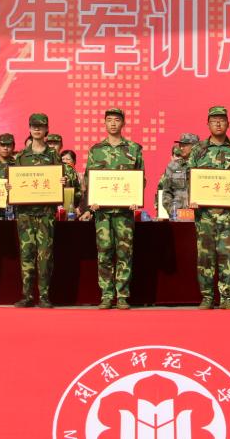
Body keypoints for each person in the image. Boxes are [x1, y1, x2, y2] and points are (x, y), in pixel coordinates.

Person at [188, 106, 230, 309]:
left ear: (228, 123)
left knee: (227, 254)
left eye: (222, 120)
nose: (218, 123)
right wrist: (192, 197)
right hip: (204, 213)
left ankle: (226, 297)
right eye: (214, 120)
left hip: (228, 214)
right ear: (208, 124)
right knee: (205, 256)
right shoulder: (199, 149)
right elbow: (190, 176)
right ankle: (207, 296)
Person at [85, 107, 144, 310]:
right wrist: (91, 201)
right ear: (104, 123)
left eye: (117, 120)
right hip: (102, 212)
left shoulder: (134, 149)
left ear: (123, 123)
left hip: (124, 212)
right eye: (109, 119)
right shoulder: (95, 150)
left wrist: (136, 198)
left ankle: (122, 296)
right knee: (104, 253)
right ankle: (106, 295)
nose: (112, 123)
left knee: (125, 253)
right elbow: (89, 179)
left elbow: (140, 178)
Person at [11, 115, 68, 307]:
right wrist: (11, 187)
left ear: (46, 130)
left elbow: (63, 179)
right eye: (34, 126)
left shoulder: (54, 155)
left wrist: (62, 181)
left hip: (45, 213)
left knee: (45, 255)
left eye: (40, 126)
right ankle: (27, 296)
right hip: (25, 213)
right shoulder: (21, 156)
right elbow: (15, 181)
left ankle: (43, 296)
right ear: (29, 128)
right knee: (26, 253)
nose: (37, 129)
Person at [158, 133, 199, 222]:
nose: (181, 148)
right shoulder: (173, 166)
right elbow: (166, 193)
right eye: (180, 145)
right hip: (178, 217)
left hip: (200, 218)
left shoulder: (203, 167)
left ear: (195, 146)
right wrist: (172, 211)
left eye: (185, 145)